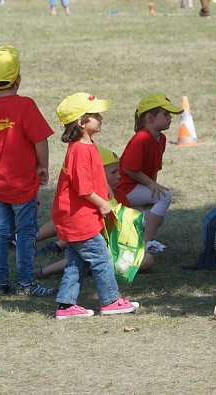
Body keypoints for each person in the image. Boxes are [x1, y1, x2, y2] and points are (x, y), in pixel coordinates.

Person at [51, 93, 139, 319]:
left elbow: (91, 177)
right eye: (94, 115)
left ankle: (66, 305)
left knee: (77, 262)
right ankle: (110, 301)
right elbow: (82, 187)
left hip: (78, 216)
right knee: (101, 257)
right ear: (81, 123)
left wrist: (106, 190)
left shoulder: (87, 145)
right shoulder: (79, 150)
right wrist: (102, 203)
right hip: (79, 218)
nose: (100, 117)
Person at [0, 45, 53, 296]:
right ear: (18, 79)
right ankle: (25, 284)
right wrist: (43, 165)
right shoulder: (25, 106)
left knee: (0, 233)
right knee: (26, 233)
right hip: (22, 186)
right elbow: (40, 139)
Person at [37, 145, 154, 280]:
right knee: (87, 251)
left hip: (111, 246)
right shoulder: (87, 198)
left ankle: (92, 268)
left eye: (118, 171)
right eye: (113, 172)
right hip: (89, 241)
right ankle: (43, 267)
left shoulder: (120, 196)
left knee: (147, 260)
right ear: (97, 173)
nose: (119, 176)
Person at [117, 93, 183, 253]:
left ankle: (136, 240)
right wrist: (151, 185)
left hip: (136, 186)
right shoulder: (141, 138)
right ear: (149, 117)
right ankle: (146, 243)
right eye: (165, 114)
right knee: (164, 197)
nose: (170, 118)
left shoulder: (161, 139)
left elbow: (152, 169)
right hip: (124, 188)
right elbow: (128, 168)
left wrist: (151, 188)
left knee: (156, 216)